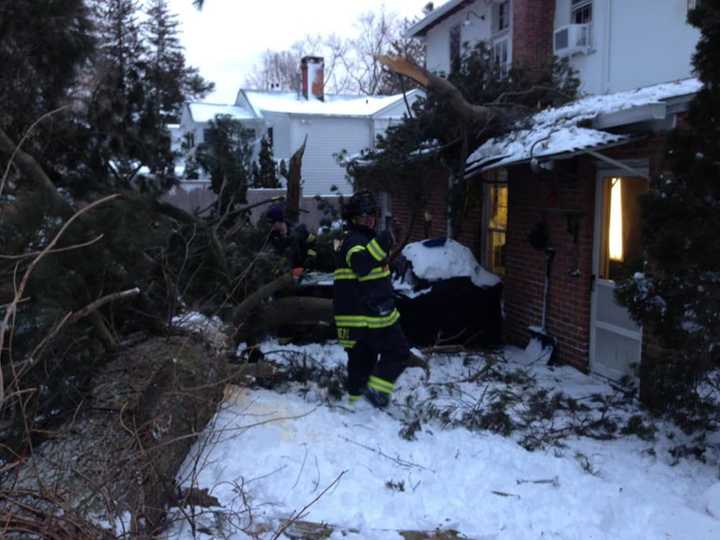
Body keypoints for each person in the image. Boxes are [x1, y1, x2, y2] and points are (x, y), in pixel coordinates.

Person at [333, 190, 411, 409]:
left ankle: (357, 407)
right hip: (368, 318)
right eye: (363, 216)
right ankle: (375, 393)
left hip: (363, 318)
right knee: (398, 352)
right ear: (353, 218)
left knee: (361, 366)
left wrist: (390, 263)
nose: (369, 220)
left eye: (372, 216)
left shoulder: (358, 239)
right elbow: (360, 264)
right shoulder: (352, 241)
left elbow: (371, 266)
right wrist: (387, 239)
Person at [265, 204, 316, 280]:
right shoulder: (272, 236)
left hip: (303, 274)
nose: (271, 226)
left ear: (279, 221)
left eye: (273, 223)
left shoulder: (299, 231)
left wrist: (309, 260)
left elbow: (313, 244)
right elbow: (274, 255)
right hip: (284, 276)